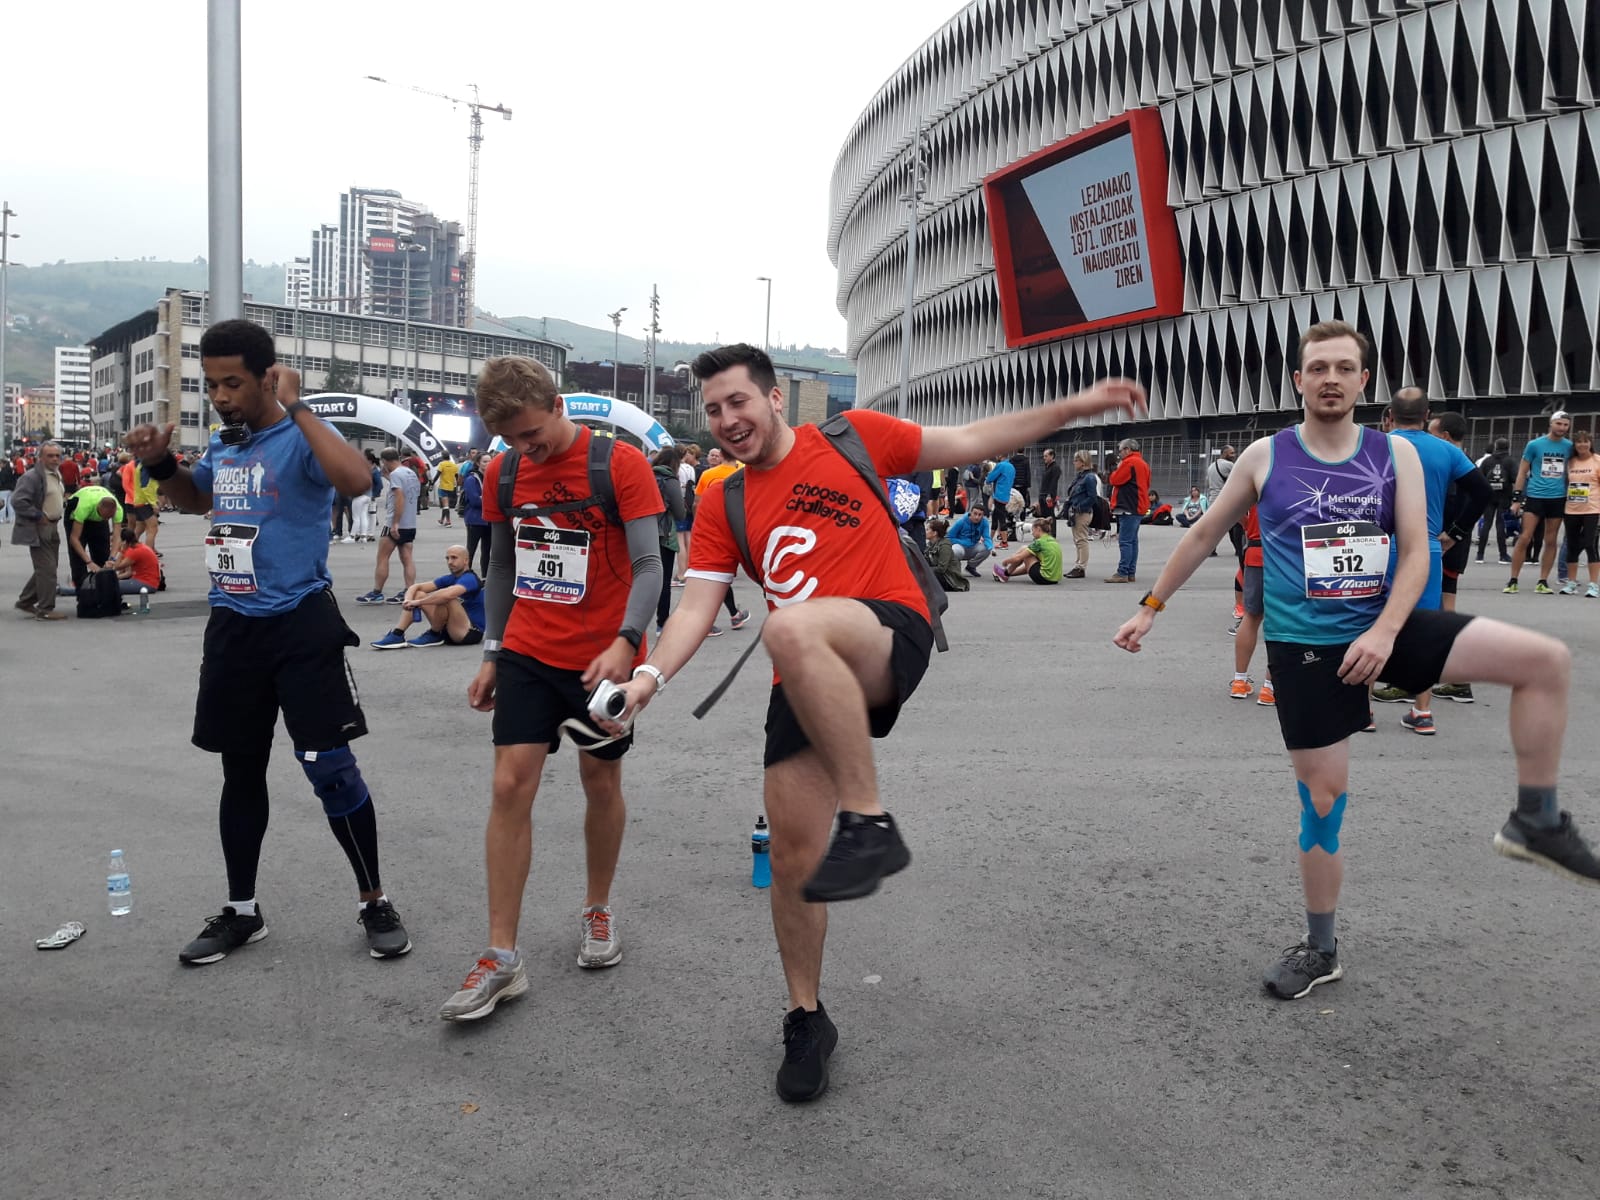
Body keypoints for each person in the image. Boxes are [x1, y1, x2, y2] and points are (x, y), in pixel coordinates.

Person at [607, 343, 1142, 1102]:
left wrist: (1075, 408)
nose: (728, 419)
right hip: (808, 674)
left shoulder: (851, 436)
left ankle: (869, 818)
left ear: (774, 400)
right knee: (792, 854)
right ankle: (806, 1015)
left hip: (887, 632)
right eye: (715, 409)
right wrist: (650, 676)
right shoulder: (724, 497)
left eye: (739, 401)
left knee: (789, 628)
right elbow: (697, 601)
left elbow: (970, 442)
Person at [1115, 320, 1600, 1002]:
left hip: (1388, 626)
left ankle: (1538, 818)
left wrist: (1384, 633)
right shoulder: (1265, 456)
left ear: (1364, 381)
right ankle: (1320, 947)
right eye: (1319, 368)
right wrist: (1150, 607)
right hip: (1304, 648)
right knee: (1322, 802)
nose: (1332, 378)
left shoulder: (1393, 454)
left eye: (1345, 367)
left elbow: (1415, 550)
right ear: (1300, 379)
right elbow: (1202, 532)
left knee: (1545, 660)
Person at [125, 317, 412, 964]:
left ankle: (374, 899)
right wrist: (160, 462)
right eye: (211, 384)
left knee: (329, 768)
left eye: (234, 383)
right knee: (240, 770)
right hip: (234, 626)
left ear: (266, 377)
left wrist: (299, 403)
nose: (221, 396)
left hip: (299, 622)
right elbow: (194, 501)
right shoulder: (227, 446)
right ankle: (242, 911)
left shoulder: (300, 436)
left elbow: (358, 482)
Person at [438, 356, 662, 1024]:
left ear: (558, 405)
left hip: (603, 661)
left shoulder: (618, 465)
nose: (526, 449)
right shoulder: (502, 470)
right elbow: (503, 565)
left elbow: (651, 565)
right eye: (513, 439)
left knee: (601, 783)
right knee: (509, 787)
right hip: (530, 651)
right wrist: (491, 652)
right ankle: (501, 956)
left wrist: (626, 639)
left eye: (534, 435)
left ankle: (597, 910)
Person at [1366, 391, 1489, 733]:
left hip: (1377, 544)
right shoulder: (1447, 450)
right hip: (1426, 547)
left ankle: (1364, 711)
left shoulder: (1372, 445)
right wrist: (1455, 533)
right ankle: (1422, 712)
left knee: (1367, 622)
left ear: (1389, 414)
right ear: (1427, 414)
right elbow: (1480, 491)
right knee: (1425, 629)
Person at [1505, 411, 1573, 594]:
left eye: (1566, 425)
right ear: (1551, 424)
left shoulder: (1569, 446)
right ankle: (1513, 580)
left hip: (1557, 498)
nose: (1562, 428)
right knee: (1525, 537)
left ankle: (1542, 581)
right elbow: (1522, 472)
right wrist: (1517, 498)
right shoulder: (1534, 445)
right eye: (1559, 424)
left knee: (1550, 540)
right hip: (1536, 496)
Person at [370, 543, 485, 649]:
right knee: (418, 594)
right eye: (447, 558)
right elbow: (416, 587)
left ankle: (434, 633)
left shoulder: (470, 579)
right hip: (450, 629)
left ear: (466, 561)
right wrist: (408, 600)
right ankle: (397, 634)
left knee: (447, 598)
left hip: (469, 632)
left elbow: (448, 595)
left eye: (454, 558)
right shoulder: (450, 578)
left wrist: (418, 603)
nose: (450, 562)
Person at [693, 447, 751, 635]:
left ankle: (725, 616)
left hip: (712, 531)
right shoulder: (744, 474)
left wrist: (698, 525)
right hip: (739, 529)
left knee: (711, 577)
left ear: (720, 457)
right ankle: (731, 615)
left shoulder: (707, 475)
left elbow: (697, 503)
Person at [11, 442, 67, 620]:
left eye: (57, 455)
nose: (55, 459)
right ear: (41, 457)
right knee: (47, 569)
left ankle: (26, 601)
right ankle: (45, 609)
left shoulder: (55, 473)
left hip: (53, 526)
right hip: (39, 528)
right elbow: (18, 501)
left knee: (46, 568)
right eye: (50, 456)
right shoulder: (32, 476)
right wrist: (37, 515)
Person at [355, 449, 419, 604]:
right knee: (407, 558)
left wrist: (395, 522)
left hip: (395, 522)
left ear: (385, 460)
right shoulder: (410, 473)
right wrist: (386, 476)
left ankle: (377, 592)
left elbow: (399, 497)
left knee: (382, 557)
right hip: (410, 523)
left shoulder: (397, 474)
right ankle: (409, 590)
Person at [1227, 505, 1275, 706]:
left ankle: (1239, 680)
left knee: (1251, 616)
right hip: (1286, 555)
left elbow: (1235, 510)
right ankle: (1270, 688)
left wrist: (1249, 526)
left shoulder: (1257, 478)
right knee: (1281, 620)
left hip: (1255, 550)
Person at [1558, 428, 1600, 598]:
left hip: (1592, 509)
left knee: (1590, 544)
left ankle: (1593, 585)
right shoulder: (1570, 462)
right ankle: (1571, 582)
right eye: (1579, 442)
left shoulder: (1597, 461)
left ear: (1591, 443)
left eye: (1586, 441)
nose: (1583, 444)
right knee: (1572, 547)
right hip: (1571, 510)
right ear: (1575, 445)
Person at [652, 445, 687, 634]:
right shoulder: (670, 480)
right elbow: (680, 514)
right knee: (663, 580)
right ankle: (661, 622)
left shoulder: (646, 475)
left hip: (642, 533)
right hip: (664, 535)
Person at [1105, 438, 1150, 583]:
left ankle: (1122, 572)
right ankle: (1130, 572)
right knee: (1132, 541)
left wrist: (1114, 471)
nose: (1119, 454)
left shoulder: (1129, 463)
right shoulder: (1143, 464)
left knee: (1125, 541)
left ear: (1127, 450)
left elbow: (1115, 480)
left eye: (1121, 451)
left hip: (1128, 506)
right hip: (1138, 505)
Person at [64, 486, 123, 592]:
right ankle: (82, 594)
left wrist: (112, 559)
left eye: (109, 518)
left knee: (103, 556)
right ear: (99, 508)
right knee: (78, 558)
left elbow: (117, 536)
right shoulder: (84, 507)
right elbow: (74, 539)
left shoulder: (118, 510)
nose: (106, 519)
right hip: (75, 514)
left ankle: (106, 595)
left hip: (95, 515)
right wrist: (89, 562)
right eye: (105, 517)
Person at [1475, 436, 1515, 564]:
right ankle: (1503, 555)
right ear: (1508, 447)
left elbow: (1479, 477)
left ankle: (1480, 555)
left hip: (1489, 496)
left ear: (1495, 447)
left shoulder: (1487, 461)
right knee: (1500, 524)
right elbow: (1515, 479)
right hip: (1504, 496)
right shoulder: (1510, 461)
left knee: (1486, 524)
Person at [993, 515, 1063, 584]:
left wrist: (1006, 561)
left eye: (1032, 530)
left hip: (1043, 578)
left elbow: (1018, 558)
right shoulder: (1052, 540)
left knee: (1024, 550)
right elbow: (1028, 565)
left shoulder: (1039, 542)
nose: (1032, 533)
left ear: (1038, 529)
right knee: (1030, 555)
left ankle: (1005, 574)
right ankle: (1007, 573)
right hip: (1054, 578)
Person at [1063, 450, 1098, 578]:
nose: (1074, 462)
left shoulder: (1089, 477)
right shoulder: (1081, 476)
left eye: (1076, 460)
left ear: (1083, 462)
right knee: (1078, 540)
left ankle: (1081, 567)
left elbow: (1092, 497)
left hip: (1082, 512)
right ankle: (1078, 565)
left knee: (1081, 540)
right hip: (1077, 511)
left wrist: (1079, 507)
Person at [1207, 444, 1243, 558]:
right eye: (1231, 453)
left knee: (1216, 527)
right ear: (1224, 453)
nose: (1234, 455)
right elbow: (1240, 479)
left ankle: (1211, 549)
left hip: (1213, 499)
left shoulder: (1211, 466)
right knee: (1236, 526)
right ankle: (1239, 549)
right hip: (1225, 500)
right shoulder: (1229, 465)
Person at [107, 526, 162, 595]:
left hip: (146, 583)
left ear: (124, 541)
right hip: (147, 581)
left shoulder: (134, 551)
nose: (112, 544)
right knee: (110, 584)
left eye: (115, 541)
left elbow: (117, 567)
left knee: (108, 586)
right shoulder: (139, 547)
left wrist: (122, 551)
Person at [673, 444, 699, 584]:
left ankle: (681, 572)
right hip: (689, 503)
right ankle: (689, 568)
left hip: (680, 503)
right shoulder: (690, 468)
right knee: (688, 537)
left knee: (679, 538)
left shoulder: (676, 468)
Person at [461, 459, 491, 579]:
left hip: (489, 519)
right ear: (478, 463)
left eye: (490, 461)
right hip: (475, 519)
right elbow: (474, 500)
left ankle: (485, 578)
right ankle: (465, 576)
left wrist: (483, 498)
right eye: (484, 461)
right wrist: (489, 499)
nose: (488, 464)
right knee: (470, 549)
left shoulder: (491, 477)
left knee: (487, 551)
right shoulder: (471, 479)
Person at [946, 502, 994, 576]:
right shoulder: (961, 521)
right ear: (970, 513)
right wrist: (964, 543)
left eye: (980, 515)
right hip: (960, 547)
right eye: (975, 514)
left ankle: (971, 567)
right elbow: (949, 538)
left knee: (987, 548)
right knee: (956, 550)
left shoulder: (984, 522)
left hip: (973, 547)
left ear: (983, 515)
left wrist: (991, 547)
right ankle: (954, 569)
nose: (977, 517)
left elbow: (986, 537)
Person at [924, 517, 969, 592]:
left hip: (950, 581)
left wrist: (925, 570)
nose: (925, 531)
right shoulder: (930, 545)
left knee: (925, 574)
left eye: (927, 530)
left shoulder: (944, 545)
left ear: (935, 533)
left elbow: (942, 569)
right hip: (941, 576)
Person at [985, 454, 1018, 544]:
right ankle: (989, 539)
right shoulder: (1011, 466)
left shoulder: (1000, 465)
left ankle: (1004, 542)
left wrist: (989, 476)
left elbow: (989, 478)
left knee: (1001, 517)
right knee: (995, 516)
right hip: (1006, 493)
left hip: (999, 493)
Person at [435, 455, 459, 526]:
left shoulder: (442, 464)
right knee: (446, 504)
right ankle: (442, 520)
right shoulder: (454, 465)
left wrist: (432, 482)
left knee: (445, 505)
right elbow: (456, 476)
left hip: (443, 487)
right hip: (451, 487)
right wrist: (457, 484)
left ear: (442, 457)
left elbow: (438, 474)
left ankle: (448, 521)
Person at [1038, 448, 1062, 517]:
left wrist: (1050, 495)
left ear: (1052, 456)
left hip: (1048, 497)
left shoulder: (1055, 468)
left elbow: (1054, 483)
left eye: (1046, 456)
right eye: (1043, 456)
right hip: (1042, 495)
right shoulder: (1047, 467)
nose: (1044, 458)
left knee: (1050, 516)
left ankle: (1052, 528)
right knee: (1043, 516)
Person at [0, 457, 17, 522]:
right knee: (10, 504)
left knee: (2, 504)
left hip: (3, 489)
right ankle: (11, 518)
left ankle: (2, 518)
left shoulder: (3, 472)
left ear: (3, 464)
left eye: (0, 463)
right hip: (11, 489)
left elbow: (2, 481)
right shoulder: (10, 471)